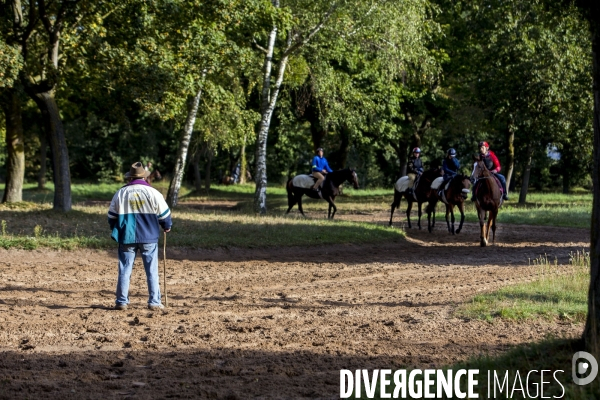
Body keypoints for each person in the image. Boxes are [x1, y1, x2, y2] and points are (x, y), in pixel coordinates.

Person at [108, 162, 173, 311]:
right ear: (143, 177)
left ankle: (121, 301)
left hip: (127, 237)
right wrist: (166, 226)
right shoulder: (154, 193)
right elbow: (165, 214)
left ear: (130, 177)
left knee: (124, 269)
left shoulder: (121, 192)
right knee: (151, 270)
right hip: (149, 237)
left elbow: (111, 216)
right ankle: (154, 302)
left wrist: (117, 228)